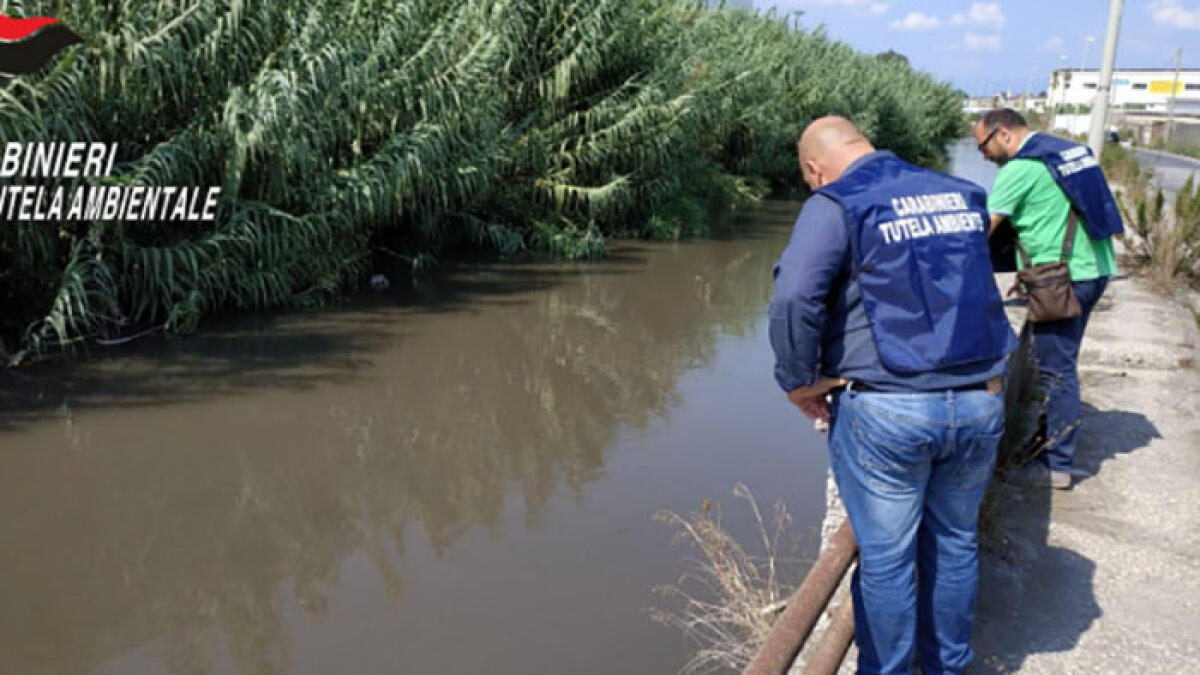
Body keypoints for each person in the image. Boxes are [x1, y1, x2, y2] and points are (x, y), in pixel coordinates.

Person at [769, 116, 1016, 674]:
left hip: (889, 409)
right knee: (954, 544)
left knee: (885, 558)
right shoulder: (960, 192)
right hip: (979, 399)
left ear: (814, 168)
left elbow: (794, 296)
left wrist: (799, 379)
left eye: (811, 179)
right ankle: (948, 666)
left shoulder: (837, 202)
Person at [972, 108, 1122, 490]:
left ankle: (1056, 465)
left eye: (983, 146)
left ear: (1002, 134)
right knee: (1062, 359)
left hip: (1064, 278)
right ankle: (1048, 439)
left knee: (1057, 369)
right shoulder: (1065, 153)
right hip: (1095, 268)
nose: (983, 156)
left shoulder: (1019, 170)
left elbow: (980, 233)